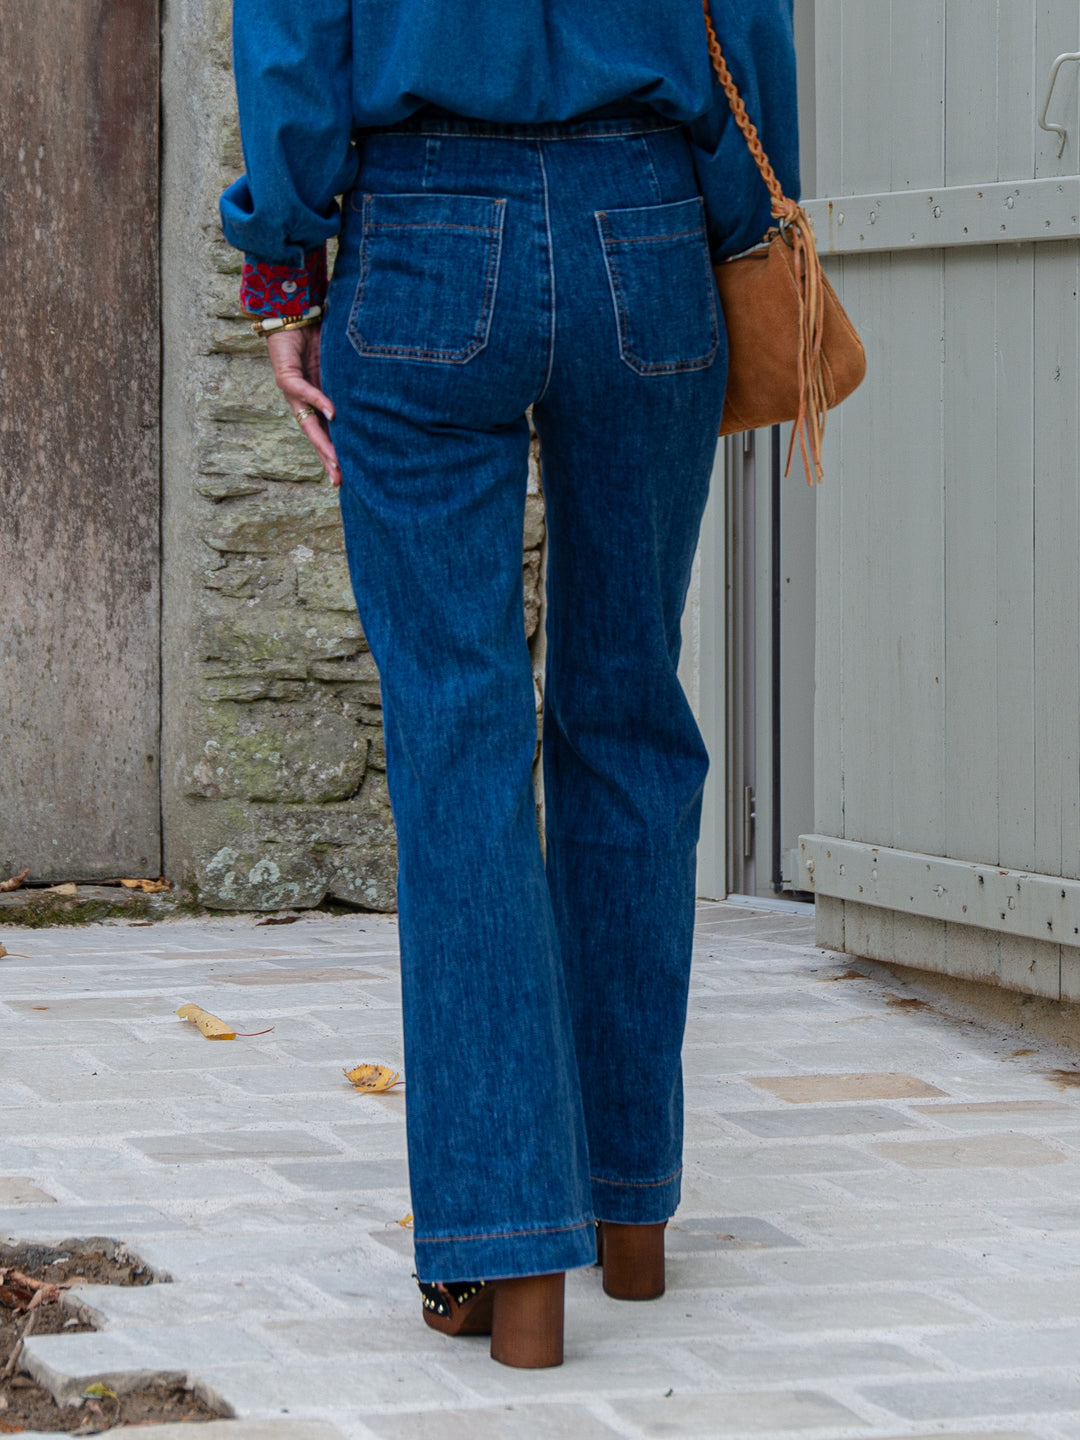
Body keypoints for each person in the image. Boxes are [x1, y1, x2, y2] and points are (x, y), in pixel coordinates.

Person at [222, 0, 799, 1369]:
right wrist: (732, 212)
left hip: (422, 235)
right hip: (648, 225)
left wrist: (283, 267)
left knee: (459, 735)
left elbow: (295, 34)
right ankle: (630, 1209)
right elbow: (751, 27)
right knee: (627, 714)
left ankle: (506, 1252)